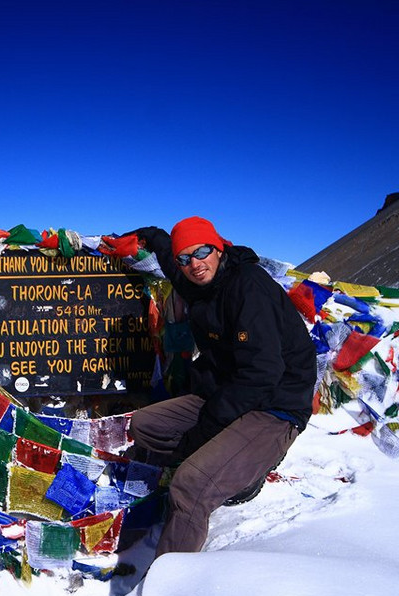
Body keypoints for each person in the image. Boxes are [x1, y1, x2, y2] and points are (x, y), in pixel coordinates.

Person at [126, 216, 316, 556]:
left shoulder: (249, 288)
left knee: (189, 485)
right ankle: (228, 462)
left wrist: (206, 428)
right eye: (186, 258)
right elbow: (172, 263)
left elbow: (261, 374)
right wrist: (152, 236)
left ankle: (165, 591)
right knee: (145, 426)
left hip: (274, 405)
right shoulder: (198, 282)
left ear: (219, 248)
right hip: (226, 392)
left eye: (201, 253)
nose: (194, 264)